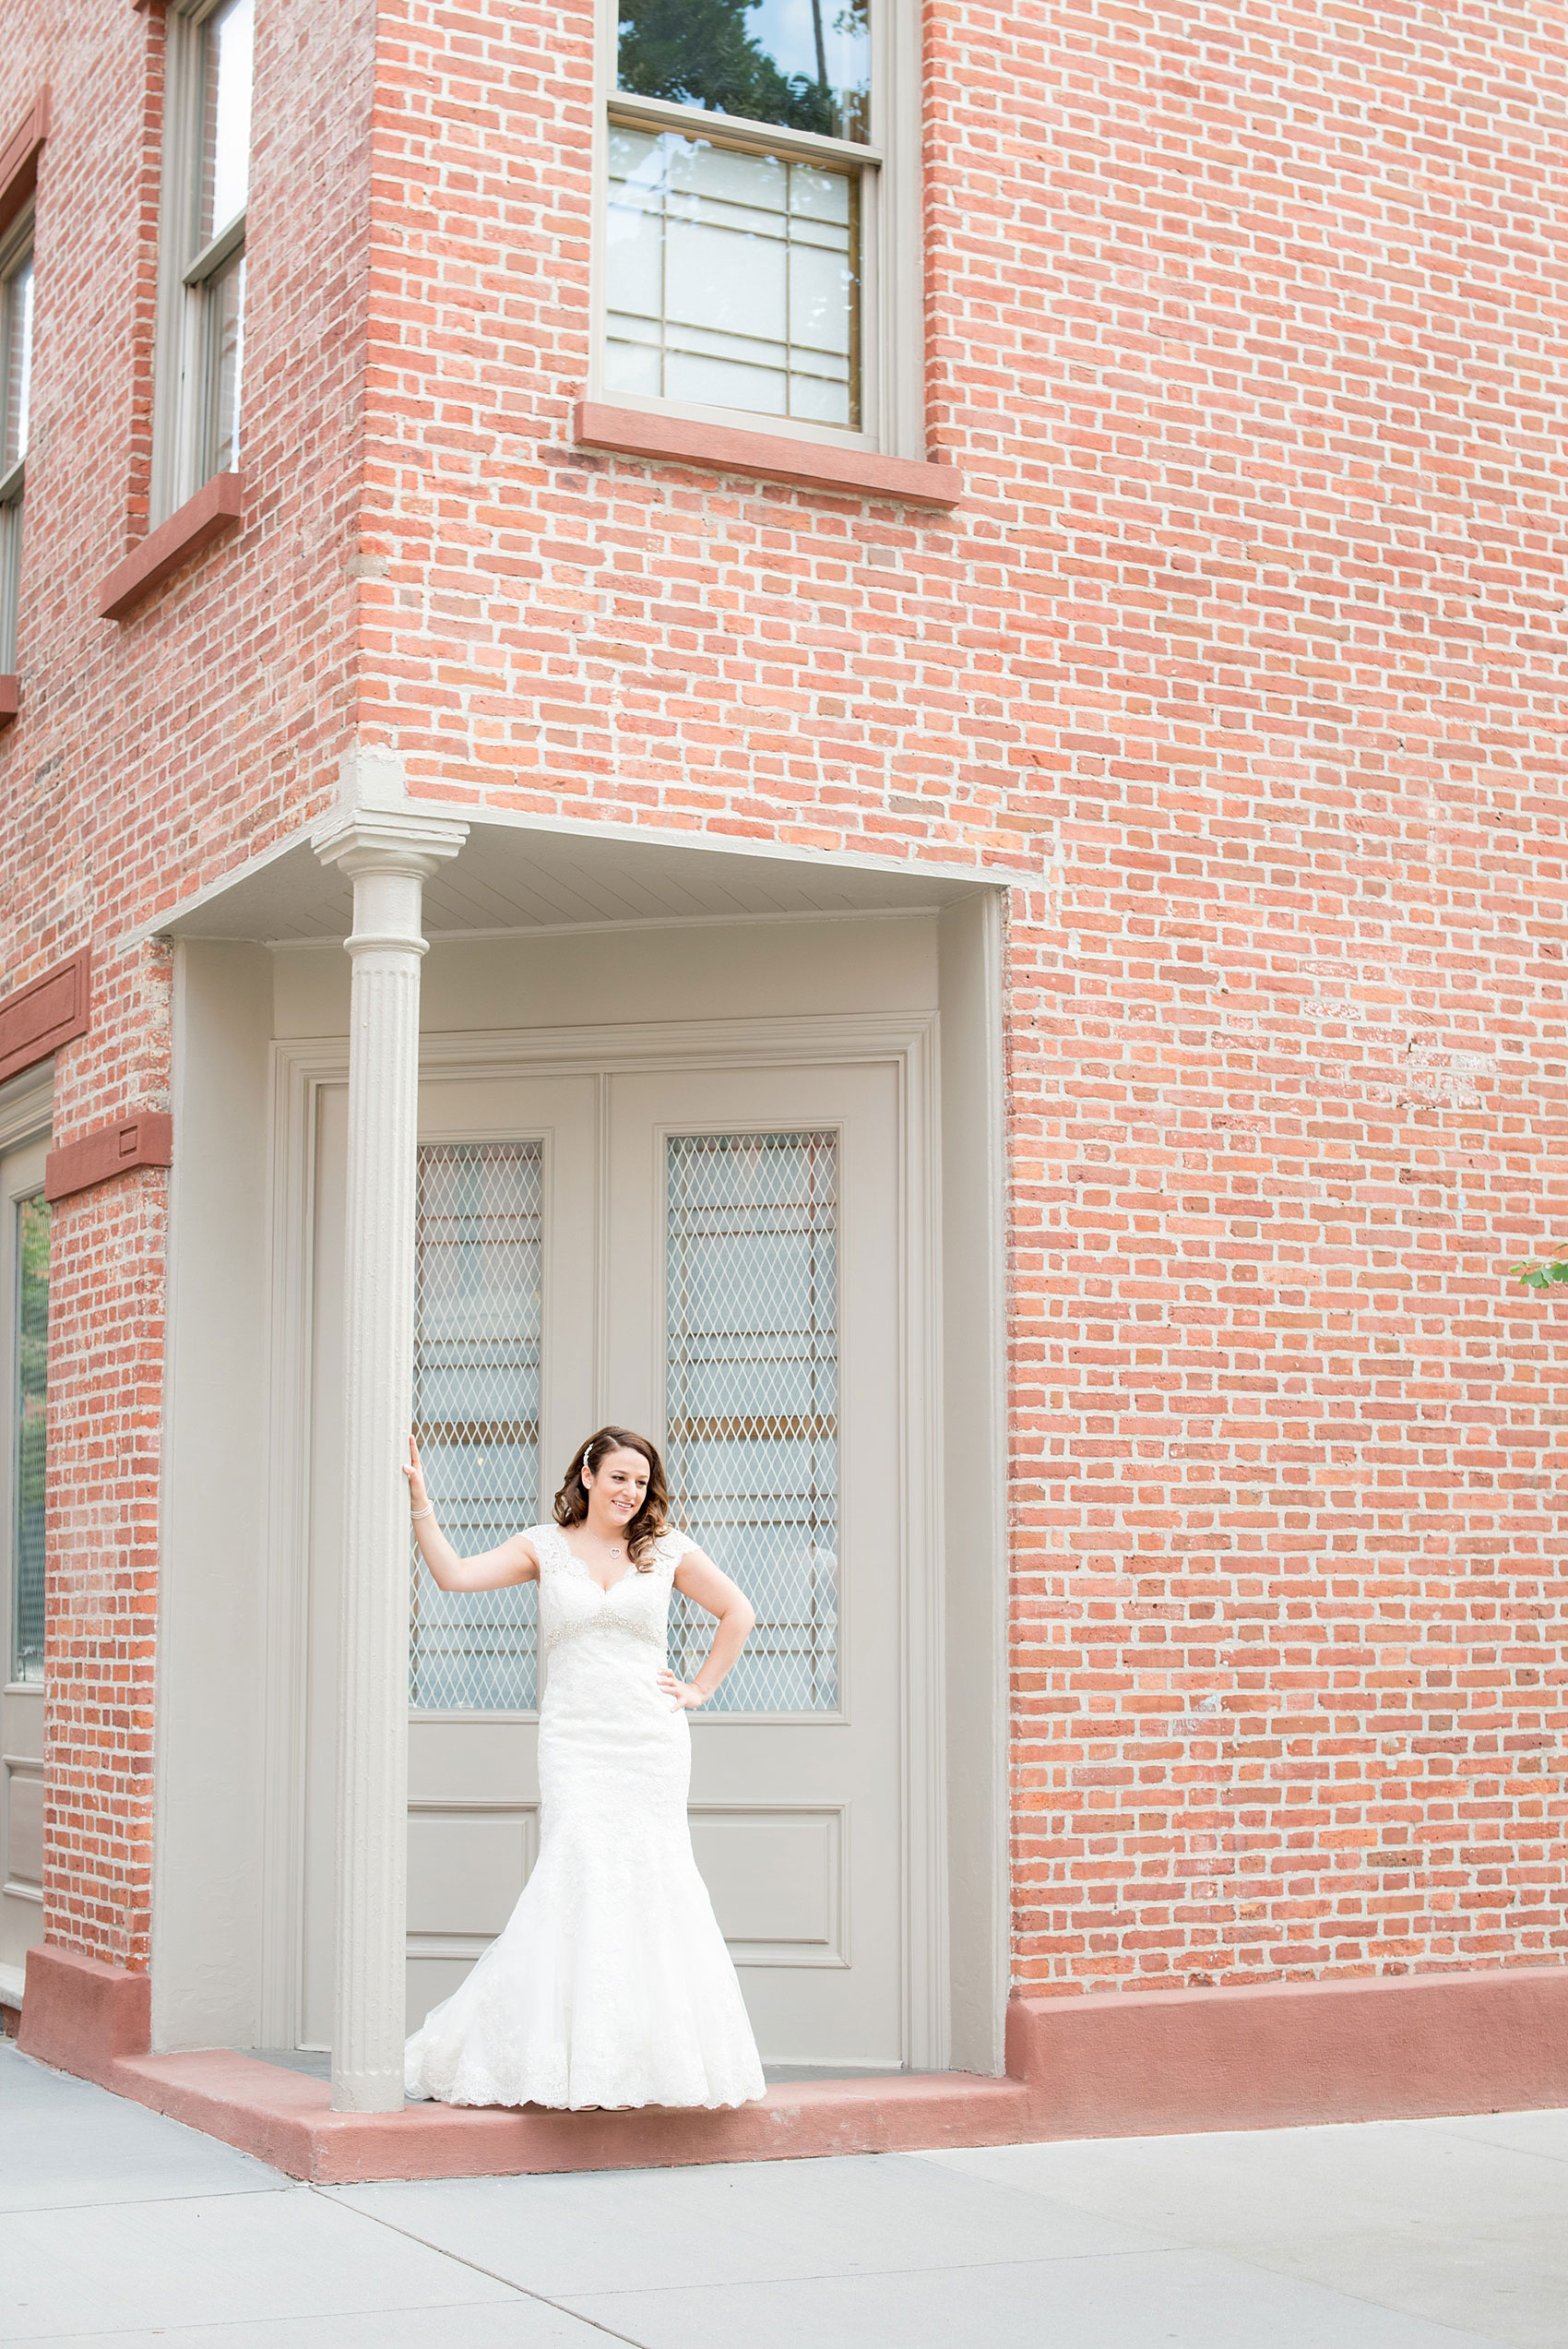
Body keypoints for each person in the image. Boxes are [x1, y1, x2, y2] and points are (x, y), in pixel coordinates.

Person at [400, 1424, 767, 2110]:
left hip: (648, 1740)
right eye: (619, 1476)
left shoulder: (665, 1551)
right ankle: (561, 2059)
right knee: (576, 1874)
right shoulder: (545, 1546)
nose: (630, 1490)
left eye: (641, 1480)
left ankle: (649, 2064)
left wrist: (699, 1689)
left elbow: (738, 1612)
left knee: (654, 1880)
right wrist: (421, 1496)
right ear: (589, 1475)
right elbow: (453, 1577)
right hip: (575, 1739)